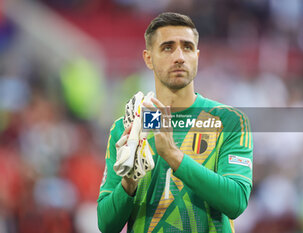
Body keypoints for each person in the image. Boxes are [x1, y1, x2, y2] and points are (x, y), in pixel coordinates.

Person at [97, 12, 253, 233]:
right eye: (168, 47)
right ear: (148, 58)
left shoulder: (229, 121)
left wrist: (172, 154)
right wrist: (128, 184)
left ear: (196, 56)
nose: (179, 56)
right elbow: (106, 225)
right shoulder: (127, 127)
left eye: (187, 47)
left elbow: (236, 201)